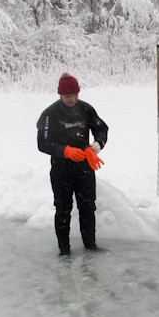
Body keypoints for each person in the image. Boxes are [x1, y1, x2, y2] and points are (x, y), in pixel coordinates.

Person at [37, 72, 108, 256]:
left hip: (84, 167)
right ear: (60, 94)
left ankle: (90, 245)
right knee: (63, 208)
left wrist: (97, 145)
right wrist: (65, 151)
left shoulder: (85, 109)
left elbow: (101, 128)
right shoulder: (49, 115)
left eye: (76, 95)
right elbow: (42, 144)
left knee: (88, 207)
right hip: (61, 170)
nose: (73, 99)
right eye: (69, 96)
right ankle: (64, 250)